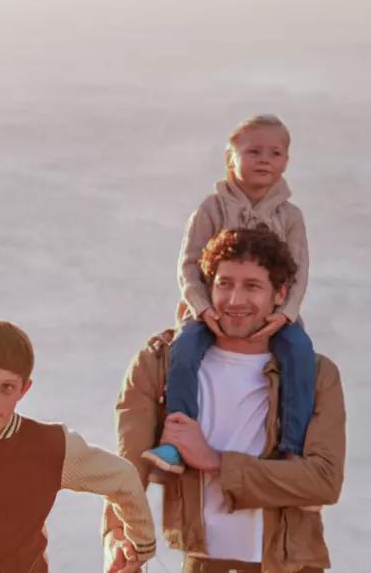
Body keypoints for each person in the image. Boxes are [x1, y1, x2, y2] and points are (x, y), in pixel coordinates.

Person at [114, 228, 345, 573]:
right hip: (203, 561)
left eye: (252, 286)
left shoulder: (316, 374)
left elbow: (323, 480)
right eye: (224, 284)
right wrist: (117, 537)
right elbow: (125, 472)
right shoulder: (161, 363)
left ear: (280, 294)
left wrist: (214, 461)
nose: (235, 301)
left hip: (289, 563)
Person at [147, 114, 315, 475]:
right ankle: (177, 439)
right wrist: (202, 308)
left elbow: (300, 272)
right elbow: (188, 265)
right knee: (184, 348)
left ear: (287, 160)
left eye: (276, 152)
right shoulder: (212, 208)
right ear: (230, 159)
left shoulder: (290, 216)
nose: (265, 160)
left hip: (273, 313)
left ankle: (291, 449)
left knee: (300, 352)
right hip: (212, 310)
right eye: (253, 151)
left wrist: (284, 313)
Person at [0, 319, 155, 573]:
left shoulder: (50, 445)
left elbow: (123, 478)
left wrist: (138, 547)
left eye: (6, 388)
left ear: (24, 389)